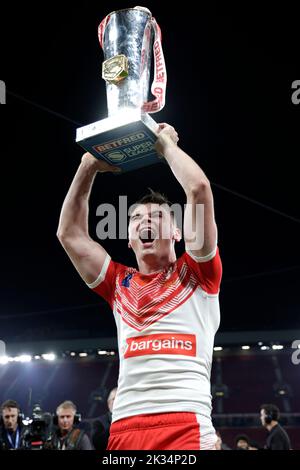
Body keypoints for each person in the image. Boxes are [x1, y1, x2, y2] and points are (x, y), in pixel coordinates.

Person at [57, 123, 222, 450]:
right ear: (130, 241)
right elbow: (69, 234)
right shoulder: (118, 283)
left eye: (158, 216)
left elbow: (199, 189)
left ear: (177, 233)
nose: (146, 221)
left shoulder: (199, 274)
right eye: (136, 219)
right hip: (125, 430)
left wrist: (166, 148)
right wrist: (88, 165)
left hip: (185, 425)